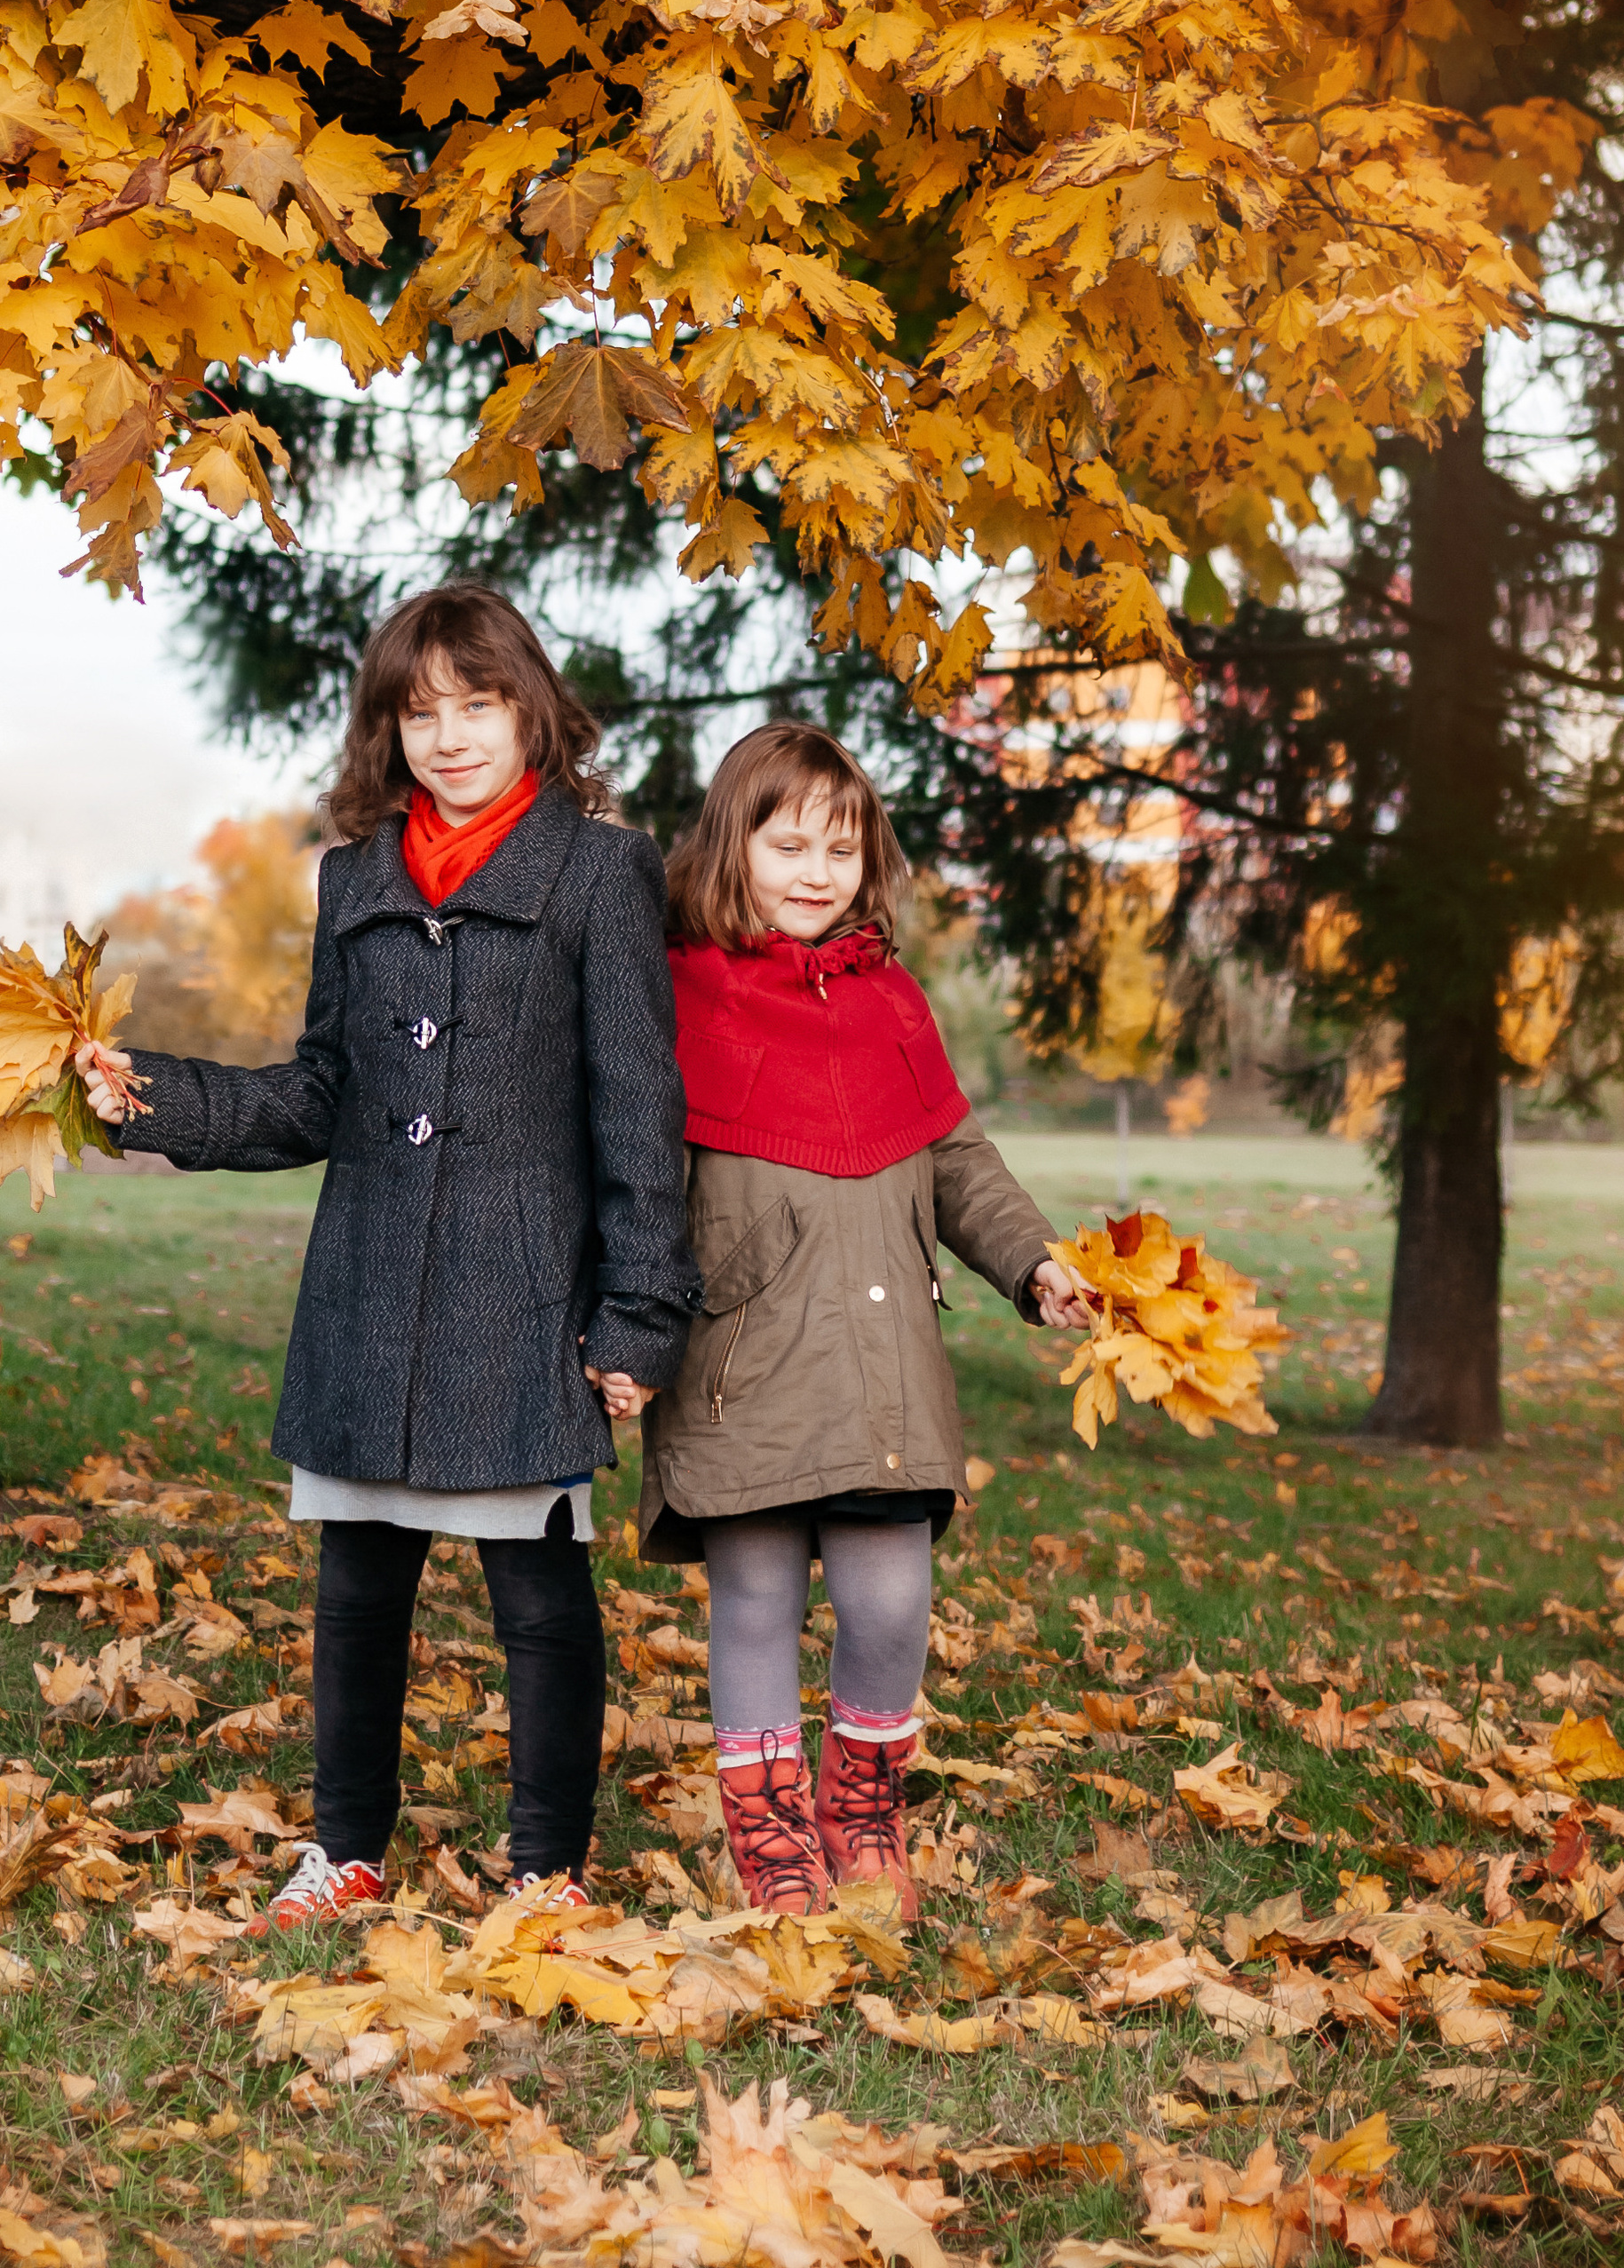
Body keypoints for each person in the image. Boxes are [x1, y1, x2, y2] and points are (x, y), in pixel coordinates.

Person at [75, 585, 699, 1930]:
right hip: (366, 1287)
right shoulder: (353, 876)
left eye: (479, 706)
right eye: (421, 714)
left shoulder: (599, 869)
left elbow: (641, 1113)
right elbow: (318, 1095)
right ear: (388, 730)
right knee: (357, 1588)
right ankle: (346, 1852)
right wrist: (155, 1100)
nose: (452, 736)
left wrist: (639, 1318)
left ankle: (548, 1874)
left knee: (538, 1596)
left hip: (523, 1295)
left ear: (533, 708)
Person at [638, 723, 1093, 1918]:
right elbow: (630, 1190)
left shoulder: (890, 1002)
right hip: (738, 1367)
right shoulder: (675, 997)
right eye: (787, 843)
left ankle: (863, 1806)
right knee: (754, 1602)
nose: (815, 870)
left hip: (884, 1364)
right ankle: (772, 1834)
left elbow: (955, 1152)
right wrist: (621, 1332)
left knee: (891, 1604)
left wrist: (1033, 1261)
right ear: (729, 847)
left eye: (841, 847)